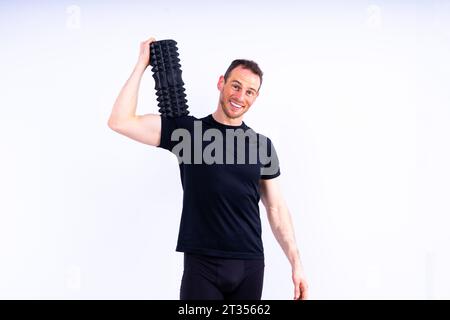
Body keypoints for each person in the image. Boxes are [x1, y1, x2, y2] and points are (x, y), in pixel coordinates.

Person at [107, 37, 309, 300]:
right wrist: (141, 65)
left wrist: (296, 262)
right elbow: (120, 121)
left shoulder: (262, 145)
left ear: (256, 97)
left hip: (250, 264)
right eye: (235, 86)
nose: (240, 96)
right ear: (221, 83)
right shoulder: (187, 132)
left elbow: (276, 209)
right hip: (202, 265)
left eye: (249, 92)